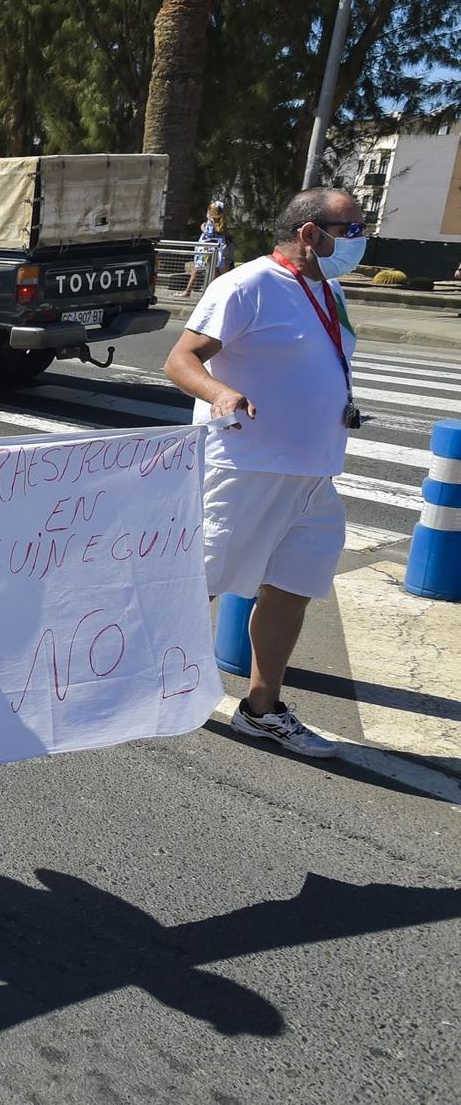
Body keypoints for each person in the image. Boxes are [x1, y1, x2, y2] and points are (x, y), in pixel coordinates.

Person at [164, 188, 369, 760]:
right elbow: (181, 359)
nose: (360, 238)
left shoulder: (329, 290)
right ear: (310, 232)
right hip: (247, 467)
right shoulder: (245, 284)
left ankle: (261, 709)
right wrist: (220, 392)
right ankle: (140, 681)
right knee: (191, 584)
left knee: (293, 589)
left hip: (314, 473)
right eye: (351, 228)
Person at [182, 201, 229, 298]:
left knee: (197, 270)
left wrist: (202, 227)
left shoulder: (211, 222)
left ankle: (187, 292)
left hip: (206, 250)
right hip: (216, 250)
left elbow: (209, 234)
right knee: (217, 272)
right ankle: (219, 293)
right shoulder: (221, 222)